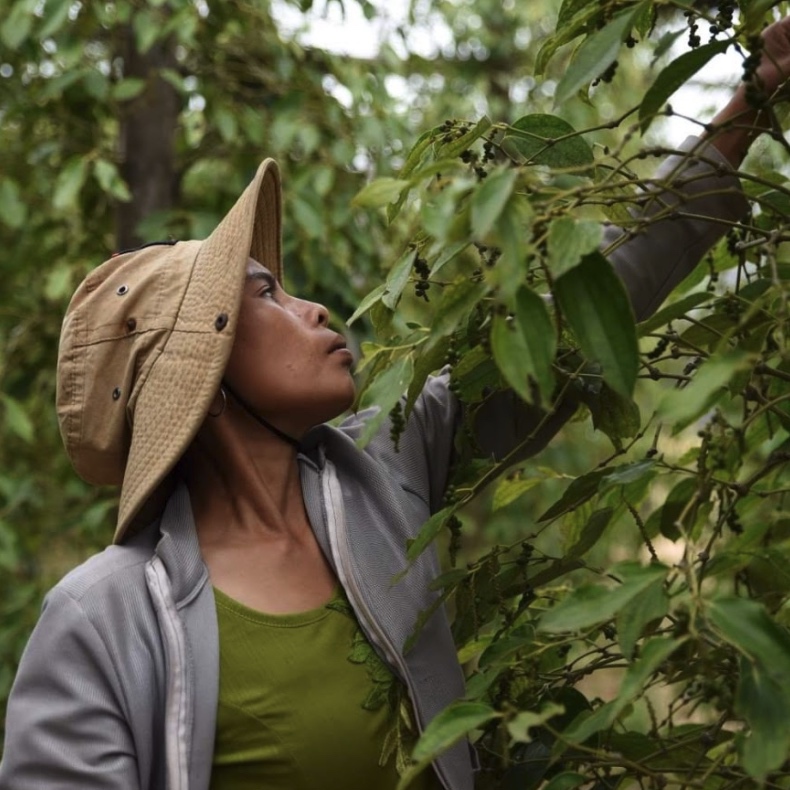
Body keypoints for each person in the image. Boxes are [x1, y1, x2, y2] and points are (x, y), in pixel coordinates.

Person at [1, 16, 789, 790]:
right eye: (265, 294)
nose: (313, 309)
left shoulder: (384, 469)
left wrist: (748, 102)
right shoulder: (102, 620)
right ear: (196, 381)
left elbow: (583, 326)